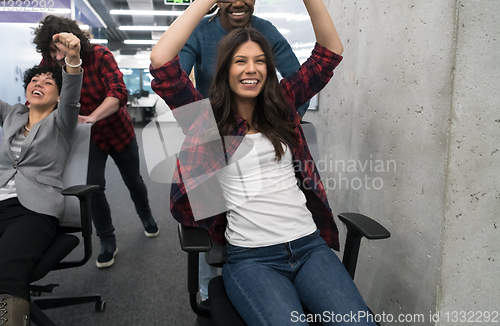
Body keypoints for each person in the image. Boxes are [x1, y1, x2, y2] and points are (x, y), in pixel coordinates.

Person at [150, 0, 376, 325]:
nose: (251, 69)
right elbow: (162, 63)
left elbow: (329, 52)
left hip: (309, 246)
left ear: (268, 70)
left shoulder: (282, 106)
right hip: (252, 258)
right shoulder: (206, 119)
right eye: (240, 61)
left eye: (259, 61)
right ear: (225, 69)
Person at [179, 0, 312, 312]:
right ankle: (210, 296)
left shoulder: (265, 30)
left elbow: (297, 81)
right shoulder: (201, 32)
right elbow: (177, 75)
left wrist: (279, 124)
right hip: (214, 138)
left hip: (257, 136)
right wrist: (204, 126)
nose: (239, 1)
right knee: (211, 229)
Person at [33, 15, 160, 269]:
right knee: (93, 188)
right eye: (50, 51)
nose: (56, 57)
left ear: (73, 41)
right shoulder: (49, 61)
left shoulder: (99, 55)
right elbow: (41, 93)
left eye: (59, 50)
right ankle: (107, 240)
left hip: (117, 129)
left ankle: (146, 217)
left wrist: (92, 117)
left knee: (133, 180)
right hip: (87, 137)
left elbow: (119, 93)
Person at [0, 33, 82, 326]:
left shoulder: (62, 120)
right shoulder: (12, 115)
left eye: (48, 83)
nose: (39, 83)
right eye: (35, 81)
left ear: (58, 96)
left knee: (7, 272)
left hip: (33, 210)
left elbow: (72, 90)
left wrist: (72, 59)